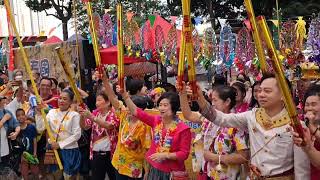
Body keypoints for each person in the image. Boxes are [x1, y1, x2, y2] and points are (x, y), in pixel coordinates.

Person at [195, 73, 310, 179]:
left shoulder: (297, 126)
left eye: (267, 91)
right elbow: (221, 119)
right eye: (260, 91)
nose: (261, 95)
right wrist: (200, 98)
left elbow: (302, 170)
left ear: (283, 94)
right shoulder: (252, 116)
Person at [119, 84, 191, 179]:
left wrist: (165, 155)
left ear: (174, 107)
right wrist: (125, 96)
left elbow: (184, 154)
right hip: (154, 169)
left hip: (172, 174)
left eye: (165, 105)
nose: (161, 108)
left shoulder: (183, 129)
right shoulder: (156, 121)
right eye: (160, 105)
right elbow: (137, 112)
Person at [180, 84, 249, 179]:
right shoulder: (208, 119)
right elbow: (188, 115)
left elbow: (243, 157)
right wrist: (182, 94)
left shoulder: (235, 125)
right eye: (212, 100)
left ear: (227, 102)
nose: (212, 103)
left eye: (215, 100)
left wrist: (215, 158)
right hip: (209, 173)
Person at [103, 77, 151, 180]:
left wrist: (147, 171)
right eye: (128, 107)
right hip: (118, 164)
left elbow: (147, 149)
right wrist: (104, 79)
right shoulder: (124, 115)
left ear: (140, 111)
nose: (128, 110)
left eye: (131, 108)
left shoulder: (144, 126)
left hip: (133, 169)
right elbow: (112, 97)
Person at [37, 89, 82, 179]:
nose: (61, 101)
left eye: (65, 99)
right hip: (54, 150)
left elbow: (77, 135)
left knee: (69, 176)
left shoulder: (75, 115)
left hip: (70, 151)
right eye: (60, 98)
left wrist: (60, 144)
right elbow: (40, 128)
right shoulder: (51, 112)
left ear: (70, 101)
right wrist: (39, 113)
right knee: (55, 176)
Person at [79, 92, 119, 180]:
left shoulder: (114, 114)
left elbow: (109, 125)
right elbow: (84, 126)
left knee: (114, 177)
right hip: (97, 154)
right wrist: (82, 115)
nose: (96, 103)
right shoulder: (95, 114)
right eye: (96, 100)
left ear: (108, 102)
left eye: (99, 100)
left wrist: (92, 117)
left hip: (111, 155)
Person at [293, 84, 320, 180]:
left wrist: (312, 127)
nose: (309, 108)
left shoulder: (310, 126)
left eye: (313, 104)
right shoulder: (301, 125)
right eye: (307, 105)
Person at [0, 96, 21, 179]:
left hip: (5, 150)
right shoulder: (6, 115)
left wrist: (16, 133)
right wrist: (4, 119)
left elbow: (17, 125)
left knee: (6, 172)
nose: (4, 100)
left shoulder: (6, 112)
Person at [16, 108, 39, 180]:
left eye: (22, 114)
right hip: (23, 155)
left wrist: (35, 153)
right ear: (16, 117)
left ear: (25, 116)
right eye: (18, 115)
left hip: (32, 154)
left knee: (35, 171)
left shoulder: (31, 127)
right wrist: (21, 155)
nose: (21, 117)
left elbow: (34, 140)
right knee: (24, 172)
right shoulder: (16, 129)